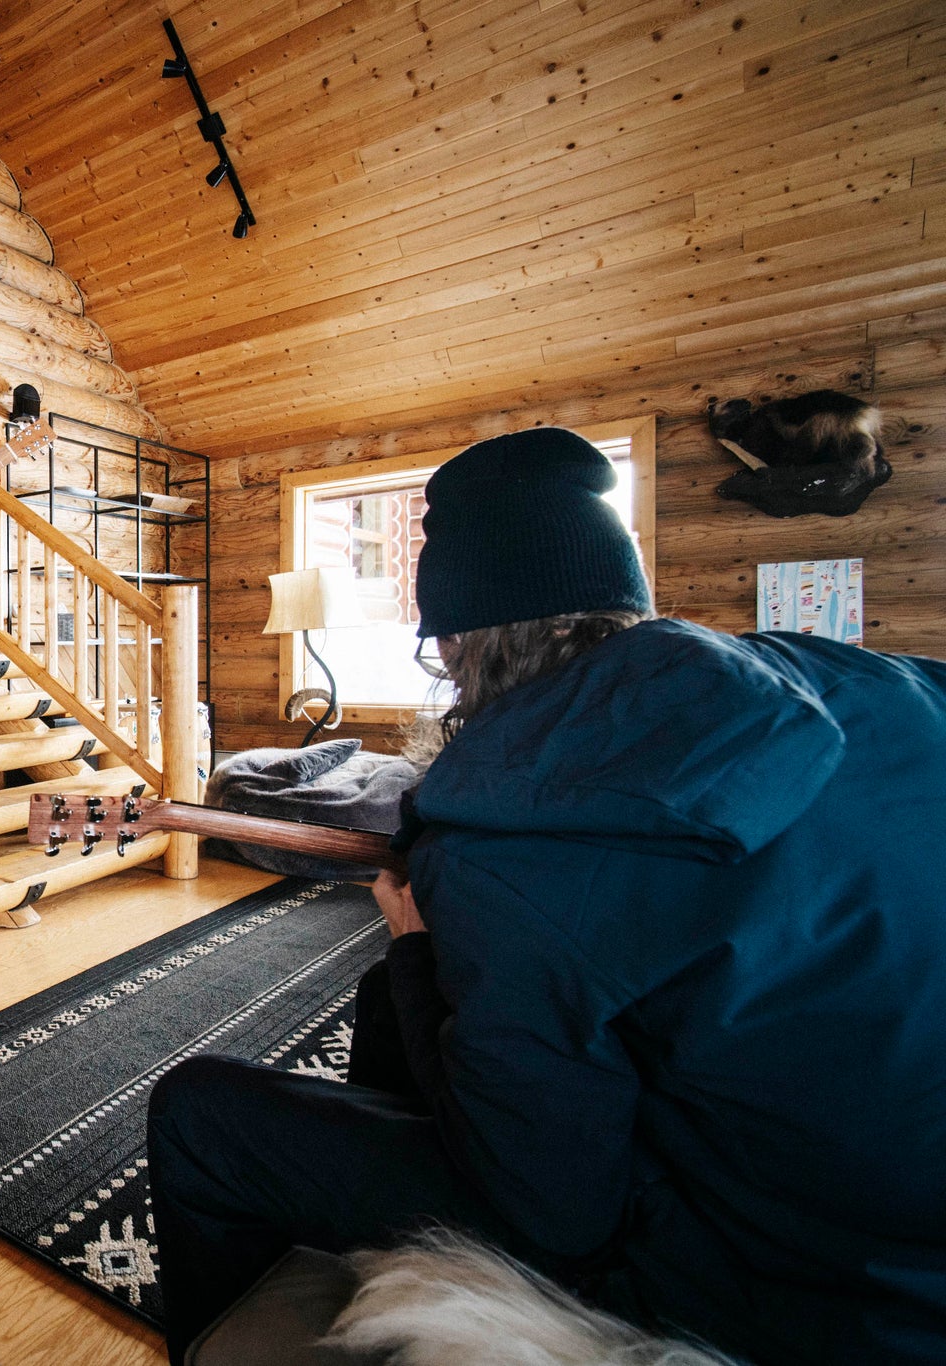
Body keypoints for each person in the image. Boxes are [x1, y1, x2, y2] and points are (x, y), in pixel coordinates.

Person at [147, 427, 946, 1365]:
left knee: (199, 1110)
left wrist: (412, 946)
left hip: (801, 1288)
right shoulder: (886, 684)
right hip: (889, 1183)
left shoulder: (511, 841)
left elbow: (553, 1208)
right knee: (392, 1006)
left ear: (455, 646)